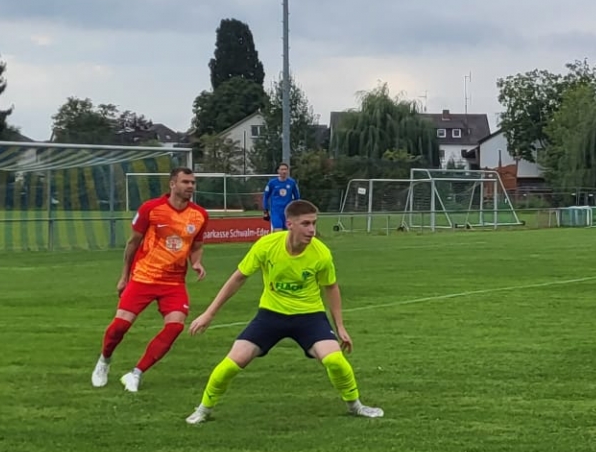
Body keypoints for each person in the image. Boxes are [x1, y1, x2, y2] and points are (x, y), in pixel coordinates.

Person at [182, 200, 382, 424]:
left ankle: (355, 406)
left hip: (310, 317)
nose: (312, 230)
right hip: (271, 315)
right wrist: (209, 314)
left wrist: (340, 326)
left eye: (314, 223)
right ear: (290, 224)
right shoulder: (267, 246)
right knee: (231, 363)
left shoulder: (321, 253)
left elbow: (331, 287)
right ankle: (203, 409)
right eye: (305, 224)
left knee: (335, 361)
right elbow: (238, 278)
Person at [91, 165, 208, 393]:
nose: (190, 186)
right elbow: (132, 243)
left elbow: (197, 245)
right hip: (143, 277)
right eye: (185, 182)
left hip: (174, 282)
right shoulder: (151, 209)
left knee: (175, 327)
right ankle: (104, 360)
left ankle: (136, 373)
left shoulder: (200, 215)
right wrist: (124, 276)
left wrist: (196, 262)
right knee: (119, 327)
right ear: (172, 184)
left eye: (193, 182)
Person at [262, 161, 301, 232]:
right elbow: (266, 196)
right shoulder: (272, 183)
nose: (284, 171)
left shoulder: (292, 182)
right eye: (282, 169)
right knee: (278, 231)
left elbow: (297, 197)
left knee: (288, 233)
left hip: (288, 212)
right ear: (278, 171)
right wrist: (265, 210)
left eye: (285, 169)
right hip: (276, 212)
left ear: (288, 171)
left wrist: (297, 209)